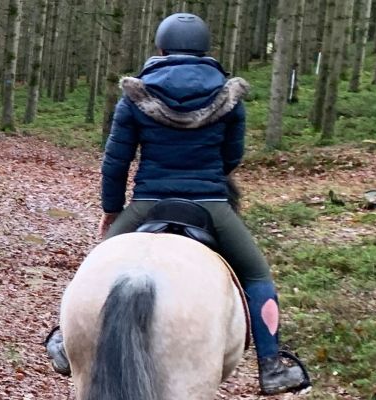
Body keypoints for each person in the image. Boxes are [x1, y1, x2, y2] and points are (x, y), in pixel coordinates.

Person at [42, 13, 313, 395]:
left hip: (148, 201)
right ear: (206, 50)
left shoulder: (135, 95)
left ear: (161, 49)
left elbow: (116, 161)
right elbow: (231, 156)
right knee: (256, 276)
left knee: (94, 265)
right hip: (212, 203)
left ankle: (63, 341)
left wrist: (112, 209)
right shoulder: (228, 96)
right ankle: (272, 365)